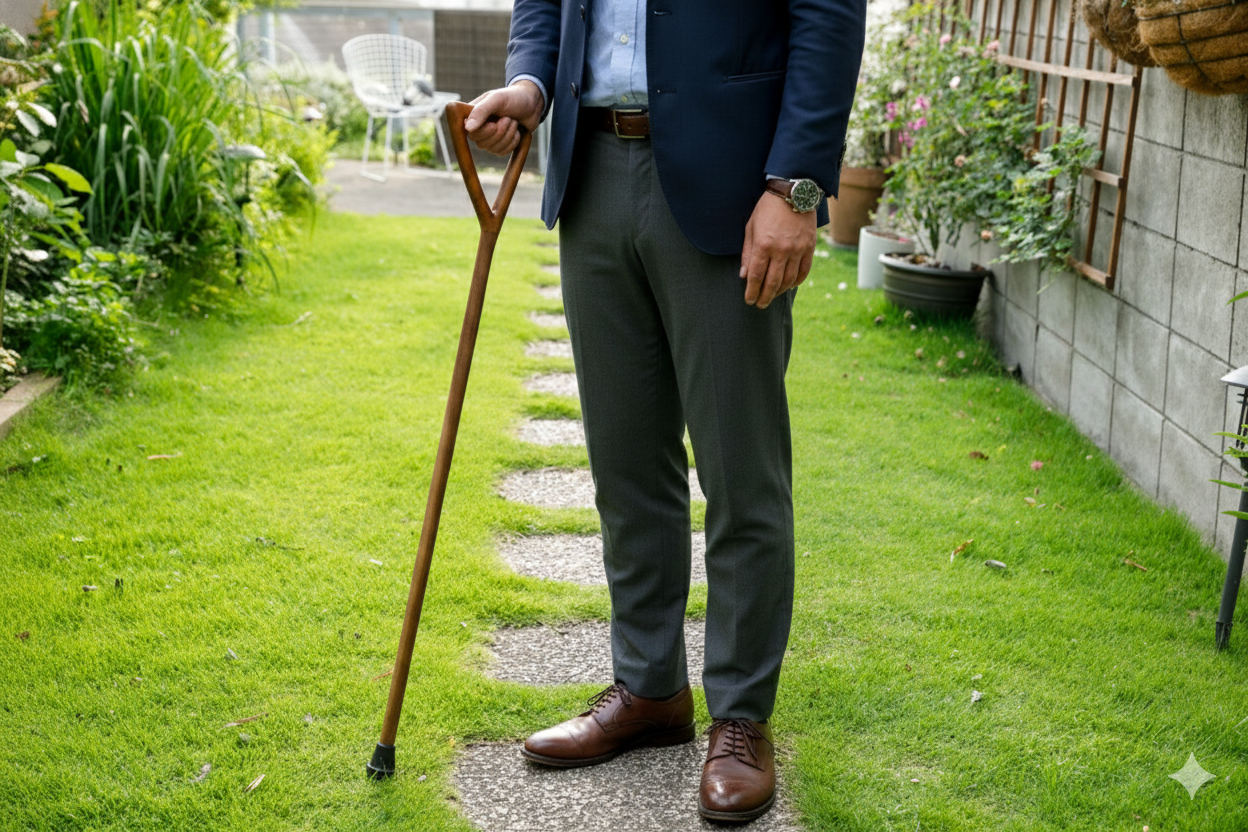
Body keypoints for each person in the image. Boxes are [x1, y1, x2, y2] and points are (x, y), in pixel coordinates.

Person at [465, 0, 864, 822]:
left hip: (732, 175)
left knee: (740, 468)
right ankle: (649, 691)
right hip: (591, 173)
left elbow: (826, 13)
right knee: (624, 460)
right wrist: (530, 82)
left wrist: (796, 185)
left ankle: (742, 718)